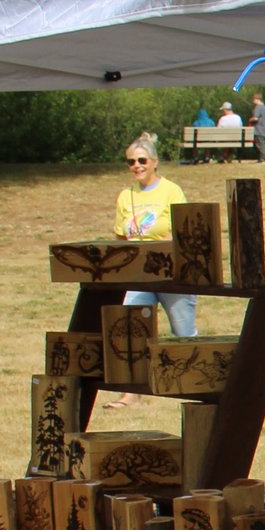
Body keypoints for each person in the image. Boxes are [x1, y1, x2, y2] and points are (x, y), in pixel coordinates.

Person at [107, 133, 192, 407]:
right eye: (131, 162)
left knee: (183, 331)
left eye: (142, 160)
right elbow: (121, 236)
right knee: (131, 330)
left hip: (171, 272)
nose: (136, 166)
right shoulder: (125, 196)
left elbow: (185, 228)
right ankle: (131, 394)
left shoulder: (171, 190)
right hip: (138, 275)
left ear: (154, 162)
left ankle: (195, 386)